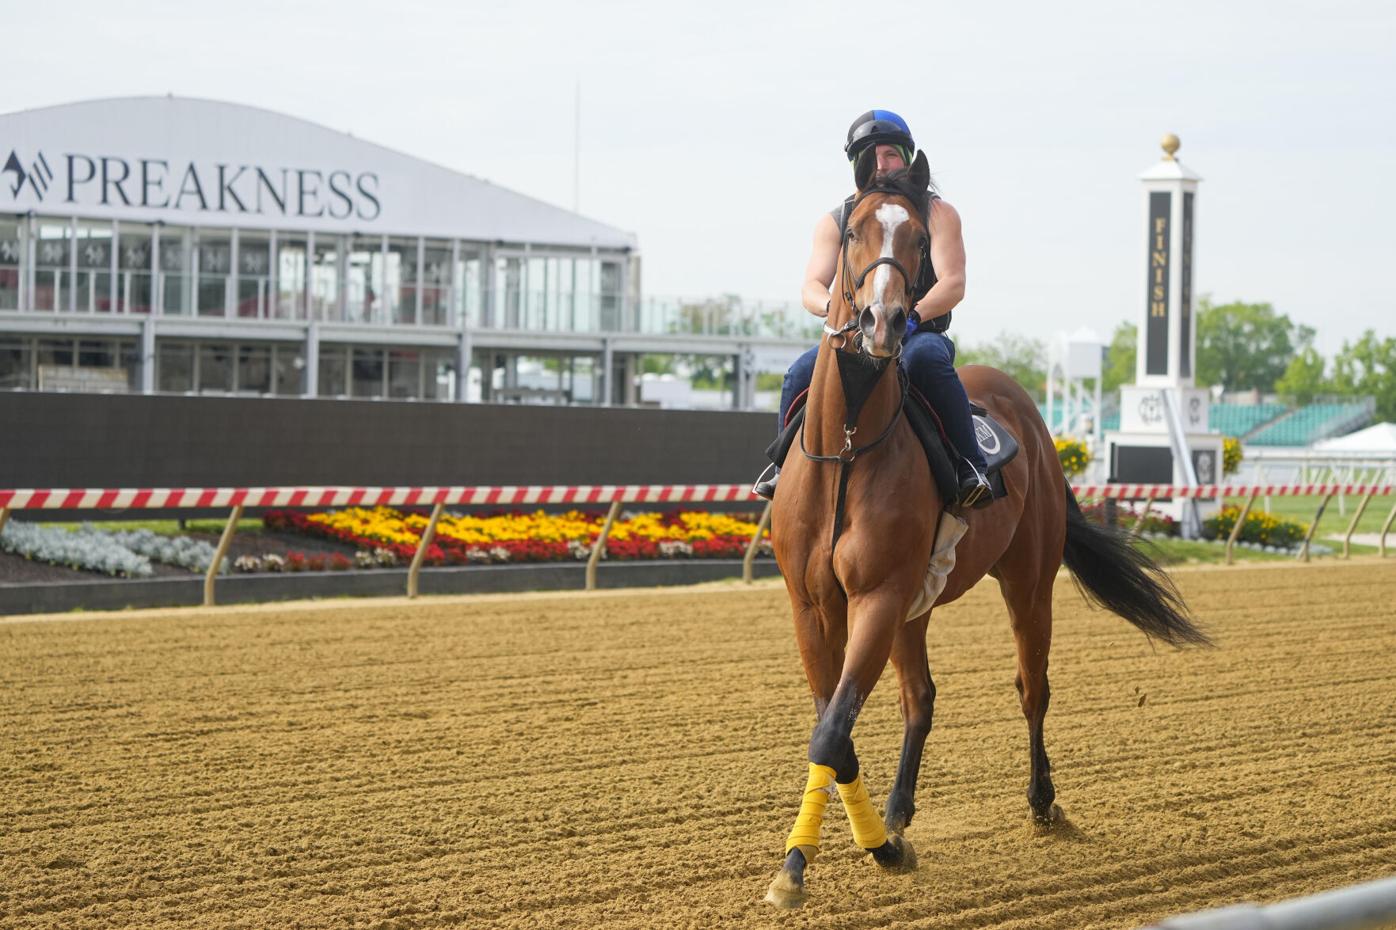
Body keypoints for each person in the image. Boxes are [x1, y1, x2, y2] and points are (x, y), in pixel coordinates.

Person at [754, 109, 990, 506]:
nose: (882, 165)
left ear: (908, 159)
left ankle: (970, 465)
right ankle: (782, 470)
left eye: (891, 155)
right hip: (852, 334)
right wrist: (836, 310)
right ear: (857, 166)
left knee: (927, 362)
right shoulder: (837, 220)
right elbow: (811, 285)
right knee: (798, 373)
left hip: (919, 334)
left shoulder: (938, 214)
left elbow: (953, 282)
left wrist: (912, 318)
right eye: (871, 157)